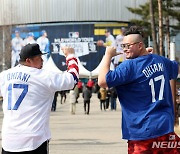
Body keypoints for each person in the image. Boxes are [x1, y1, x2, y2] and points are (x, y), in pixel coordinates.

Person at [98, 26, 179, 153]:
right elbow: (176, 69)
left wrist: (107, 55)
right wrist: (147, 55)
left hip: (142, 131)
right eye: (123, 46)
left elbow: (102, 81)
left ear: (140, 45)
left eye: (128, 46)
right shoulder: (161, 60)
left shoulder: (129, 66)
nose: (125, 49)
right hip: (165, 128)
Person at [0, 43, 79, 153]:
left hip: (9, 141)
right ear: (28, 60)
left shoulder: (4, 76)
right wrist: (70, 55)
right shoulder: (43, 76)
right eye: (39, 58)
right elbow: (73, 79)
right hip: (33, 141)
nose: (42, 60)